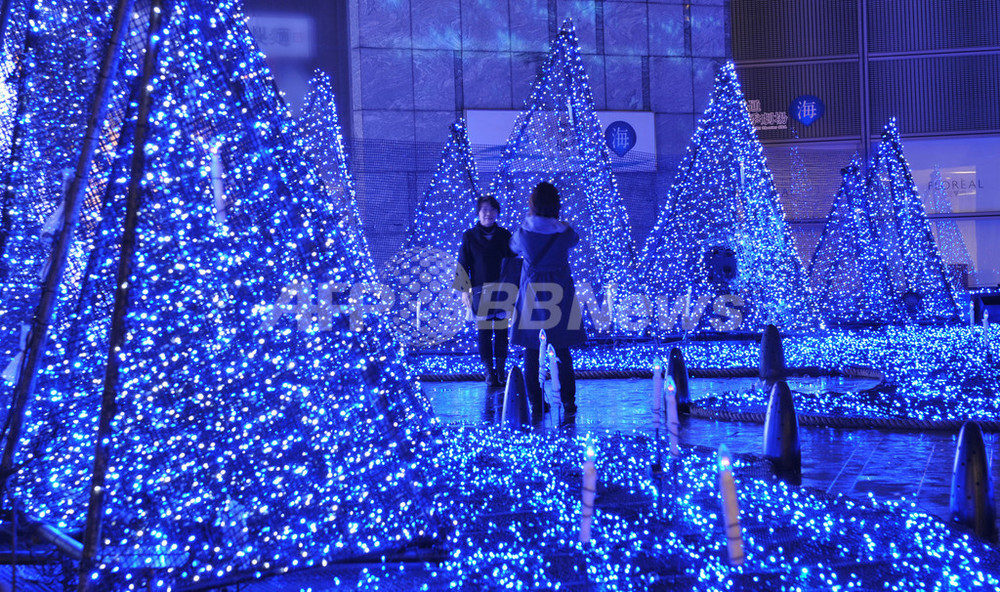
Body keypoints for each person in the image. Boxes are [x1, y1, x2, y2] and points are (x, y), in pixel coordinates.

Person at [510, 182, 586, 419]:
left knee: (533, 350)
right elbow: (575, 239)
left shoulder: (524, 233)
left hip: (532, 296)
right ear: (556, 204)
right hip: (560, 295)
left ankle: (536, 402)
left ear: (532, 204)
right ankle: (568, 401)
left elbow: (512, 247)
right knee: (561, 348)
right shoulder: (564, 232)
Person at [455, 195, 514, 387]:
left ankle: (501, 370)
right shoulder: (469, 236)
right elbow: (463, 263)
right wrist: (464, 291)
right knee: (484, 333)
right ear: (478, 213)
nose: (488, 214)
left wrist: (515, 290)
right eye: (484, 210)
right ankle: (489, 372)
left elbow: (513, 264)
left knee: (502, 333)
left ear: (497, 212)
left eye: (492, 210)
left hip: (503, 291)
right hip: (479, 292)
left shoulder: (505, 235)